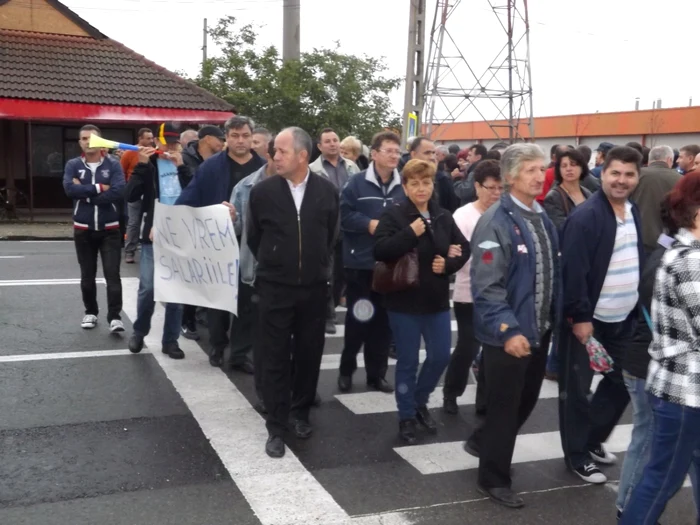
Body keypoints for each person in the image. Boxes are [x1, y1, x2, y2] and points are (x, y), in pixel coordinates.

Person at [465, 144, 559, 509]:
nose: (540, 176)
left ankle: (483, 442)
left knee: (525, 400)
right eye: (532, 170)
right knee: (505, 408)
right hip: (509, 335)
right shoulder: (496, 221)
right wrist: (507, 330)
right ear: (510, 176)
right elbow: (487, 284)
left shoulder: (539, 215)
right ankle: (493, 478)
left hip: (538, 331)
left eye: (542, 169)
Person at [247, 127, 339, 459]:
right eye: (274, 151)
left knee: (308, 354)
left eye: (282, 151)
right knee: (273, 357)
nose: (275, 156)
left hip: (313, 290)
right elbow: (254, 238)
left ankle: (300, 414)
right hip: (274, 288)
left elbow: (330, 237)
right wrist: (277, 263)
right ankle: (276, 424)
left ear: (303, 155)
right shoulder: (263, 192)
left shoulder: (327, 191)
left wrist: (314, 268)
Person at [558, 146, 644, 484]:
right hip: (588, 322)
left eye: (629, 174)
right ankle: (577, 457)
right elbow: (573, 272)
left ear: (637, 177)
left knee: (622, 383)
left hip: (624, 319)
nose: (621, 180)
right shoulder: (586, 216)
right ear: (602, 173)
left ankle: (590, 440)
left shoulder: (633, 211)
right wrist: (580, 318)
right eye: (615, 173)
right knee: (577, 393)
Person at [620, 173, 700, 524]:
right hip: (685, 395)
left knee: (661, 478)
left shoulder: (680, 251)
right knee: (660, 481)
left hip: (680, 389)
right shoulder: (691, 261)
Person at [373, 159, 469, 445]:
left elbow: (464, 247)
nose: (421, 188)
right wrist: (409, 233)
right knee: (408, 361)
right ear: (404, 186)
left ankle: (419, 400)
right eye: (414, 183)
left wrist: (449, 264)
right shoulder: (395, 214)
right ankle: (405, 416)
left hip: (436, 300)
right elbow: (380, 249)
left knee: (440, 355)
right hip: (403, 302)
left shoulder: (442, 215)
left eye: (426, 182)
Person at [177, 115, 264, 371]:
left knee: (247, 301)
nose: (240, 140)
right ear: (227, 138)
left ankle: (239, 354)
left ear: (252, 138)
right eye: (235, 135)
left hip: (250, 245)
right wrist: (166, 222)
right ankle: (217, 346)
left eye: (245, 135)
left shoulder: (264, 168)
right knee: (217, 302)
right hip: (216, 243)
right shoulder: (211, 166)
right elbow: (190, 196)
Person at [336, 131, 405, 395]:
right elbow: (343, 216)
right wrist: (369, 224)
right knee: (359, 321)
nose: (394, 156)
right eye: (388, 150)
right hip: (361, 265)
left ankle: (377, 375)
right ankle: (346, 370)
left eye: (397, 151)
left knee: (384, 325)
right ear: (374, 153)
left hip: (390, 266)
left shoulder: (403, 186)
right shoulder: (355, 184)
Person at [126, 123, 194, 359]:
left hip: (181, 234)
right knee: (148, 288)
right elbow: (131, 195)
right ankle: (139, 331)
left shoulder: (185, 161)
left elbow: (196, 191)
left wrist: (182, 167)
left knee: (176, 292)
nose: (170, 146)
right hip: (153, 234)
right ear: (156, 140)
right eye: (166, 141)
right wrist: (142, 166)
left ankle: (170, 340)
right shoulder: (149, 163)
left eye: (175, 142)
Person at [442, 159, 503, 415]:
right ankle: (451, 392)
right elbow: (457, 254)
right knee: (468, 345)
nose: (496, 193)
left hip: (499, 294)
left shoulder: (505, 213)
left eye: (501, 188)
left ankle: (485, 400)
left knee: (493, 349)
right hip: (469, 291)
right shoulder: (463, 215)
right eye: (491, 188)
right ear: (477, 186)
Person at [63, 124, 126, 332]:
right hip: (83, 229)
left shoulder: (113, 165)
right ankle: (90, 312)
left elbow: (118, 191)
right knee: (87, 276)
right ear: (79, 142)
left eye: (91, 138)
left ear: (101, 142)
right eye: (83, 138)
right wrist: (99, 188)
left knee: (112, 275)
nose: (87, 141)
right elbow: (69, 189)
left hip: (110, 229)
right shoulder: (73, 164)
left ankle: (115, 316)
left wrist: (86, 194)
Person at [232, 134, 277, 405]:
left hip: (284, 271)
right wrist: (233, 219)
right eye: (277, 153)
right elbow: (237, 230)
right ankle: (239, 355)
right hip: (252, 263)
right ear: (270, 156)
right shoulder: (246, 186)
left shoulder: (298, 186)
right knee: (248, 314)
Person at [309, 128, 360, 334]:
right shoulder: (312, 169)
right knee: (326, 272)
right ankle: (327, 315)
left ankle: (337, 303)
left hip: (348, 226)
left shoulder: (351, 167)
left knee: (342, 272)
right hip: (325, 226)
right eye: (327, 141)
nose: (332, 144)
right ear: (320, 146)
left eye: (335, 140)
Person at [630, 145, 681, 256]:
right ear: (669, 160)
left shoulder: (635, 175)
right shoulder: (680, 180)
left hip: (635, 238)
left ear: (649, 159)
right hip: (667, 242)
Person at [121, 128, 153, 264]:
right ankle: (129, 251)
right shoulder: (129, 153)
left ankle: (145, 247)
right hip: (135, 193)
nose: (150, 141)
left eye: (152, 138)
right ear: (140, 139)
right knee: (133, 222)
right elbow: (121, 171)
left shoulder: (153, 153)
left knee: (149, 221)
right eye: (148, 138)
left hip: (149, 193)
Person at [543, 148, 593, 230]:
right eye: (564, 166)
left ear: (582, 168)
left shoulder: (587, 193)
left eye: (573, 164)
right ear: (559, 170)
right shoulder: (553, 197)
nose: (568, 169)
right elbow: (561, 228)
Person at [408, 136, 460, 212]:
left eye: (433, 153)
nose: (432, 157)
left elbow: (452, 209)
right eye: (427, 153)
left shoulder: (443, 180)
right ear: (413, 154)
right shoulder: (402, 179)